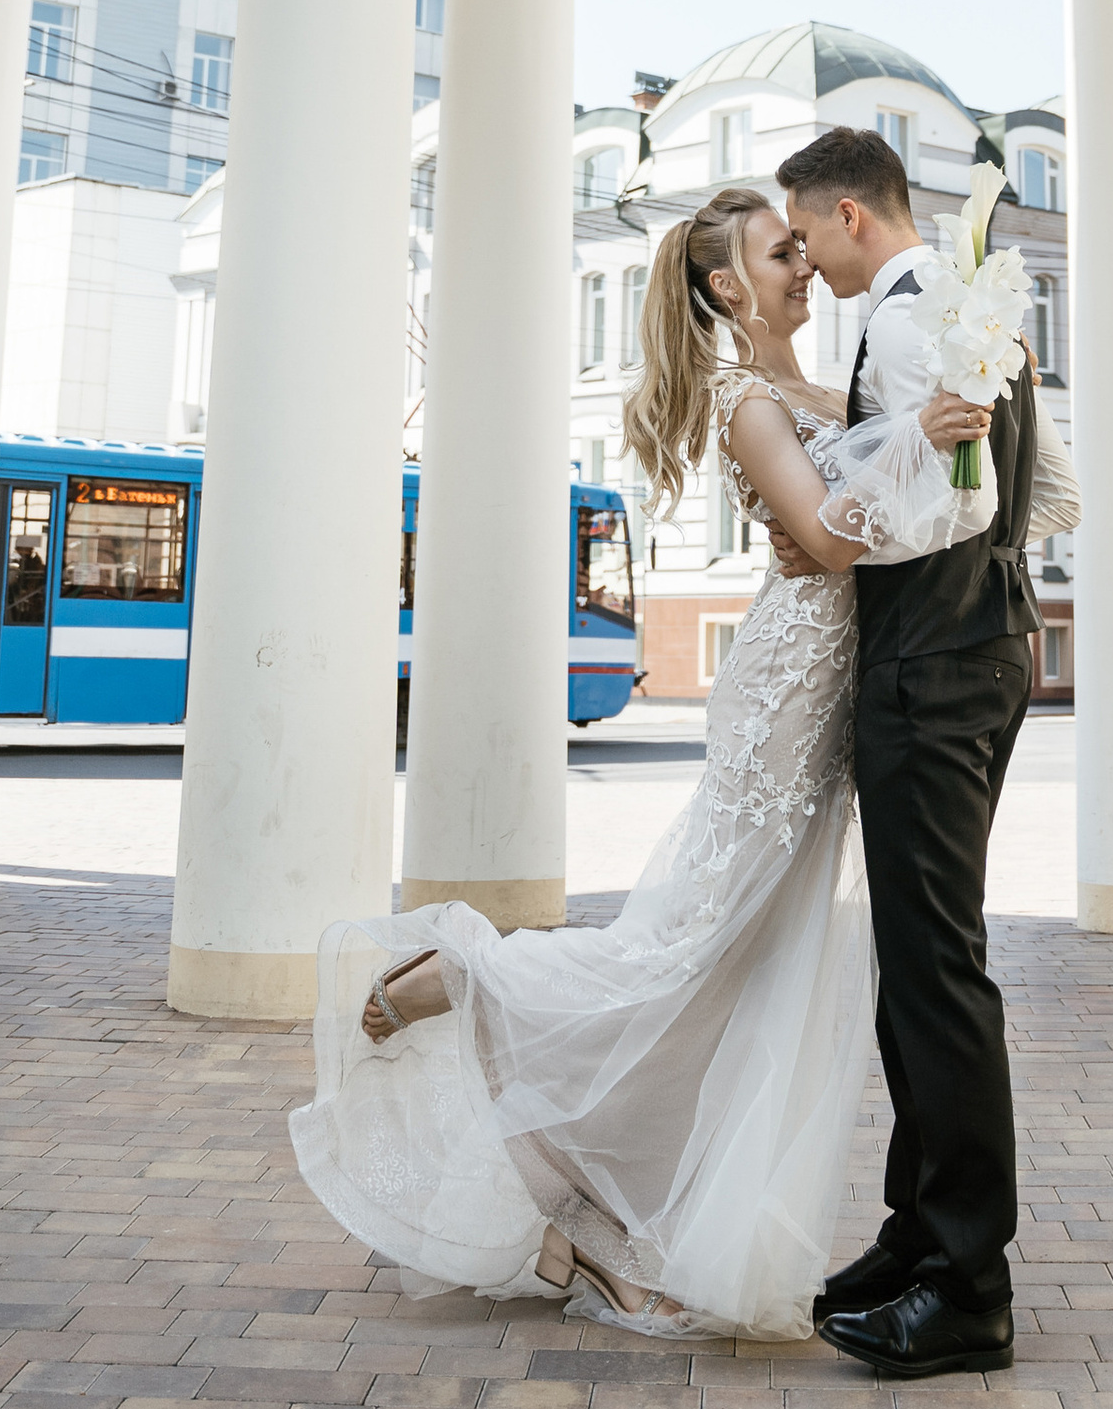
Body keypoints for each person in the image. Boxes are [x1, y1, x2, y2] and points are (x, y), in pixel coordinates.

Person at [290, 184, 1043, 1341]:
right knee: (691, 945)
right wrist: (917, 442)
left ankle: (590, 1211)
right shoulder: (746, 398)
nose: (804, 266)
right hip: (787, 695)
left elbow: (845, 519)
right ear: (728, 287)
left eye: (802, 247)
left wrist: (924, 429)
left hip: (835, 688)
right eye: (781, 253)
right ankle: (466, 973)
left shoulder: (811, 389)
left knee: (734, 963)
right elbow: (826, 539)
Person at [774, 124, 1080, 1383]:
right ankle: (917, 1236)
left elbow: (957, 501)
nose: (807, 259)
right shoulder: (969, 312)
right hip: (984, 647)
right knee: (919, 965)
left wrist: (824, 517)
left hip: (930, 666)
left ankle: (965, 1286)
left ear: (851, 214)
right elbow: (1049, 494)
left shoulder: (906, 325)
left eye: (806, 234)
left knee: (935, 972)